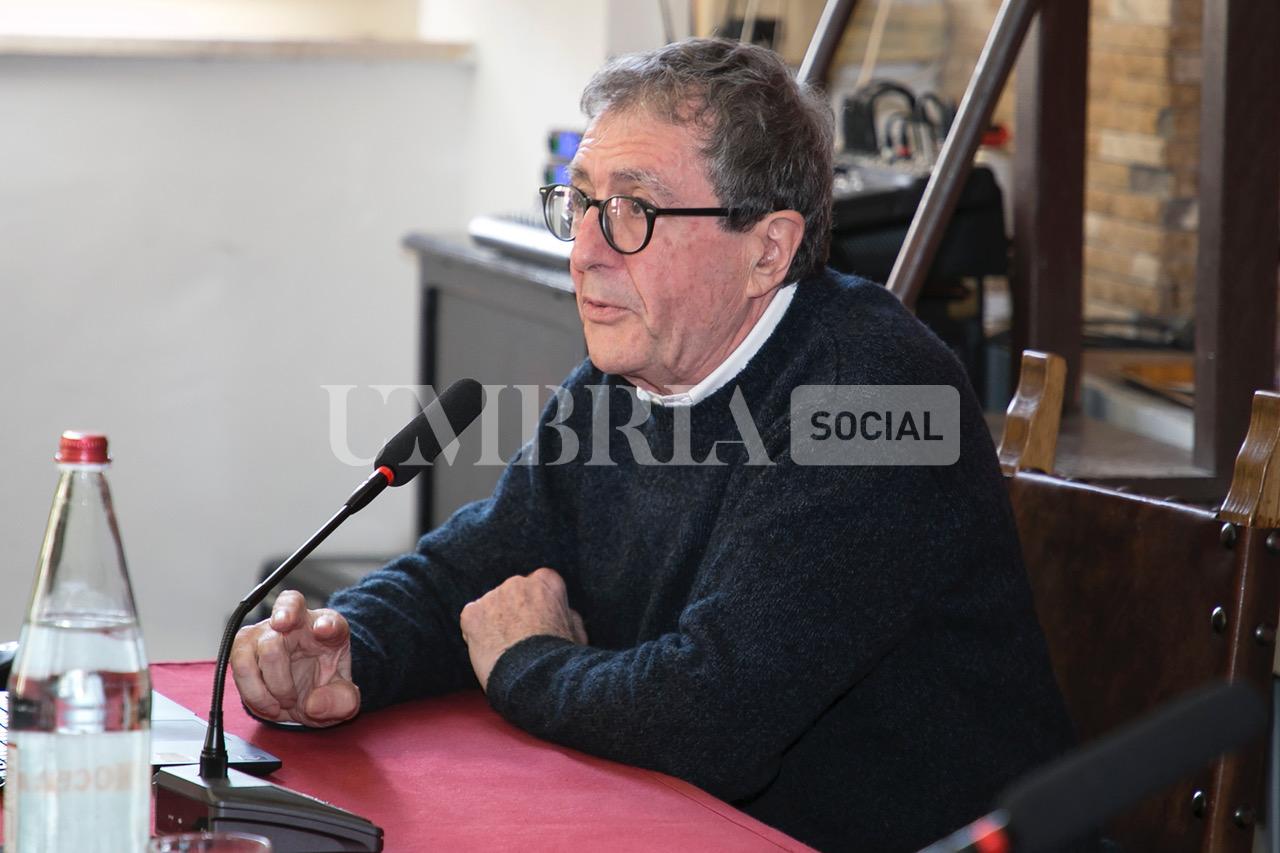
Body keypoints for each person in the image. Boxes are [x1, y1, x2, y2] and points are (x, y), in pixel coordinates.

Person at [230, 38, 1075, 852]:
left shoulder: (880, 399)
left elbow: (714, 715)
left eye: (632, 209)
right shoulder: (623, 380)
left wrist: (525, 663)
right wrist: (347, 644)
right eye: (582, 203)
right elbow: (479, 566)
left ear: (767, 249)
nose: (586, 253)